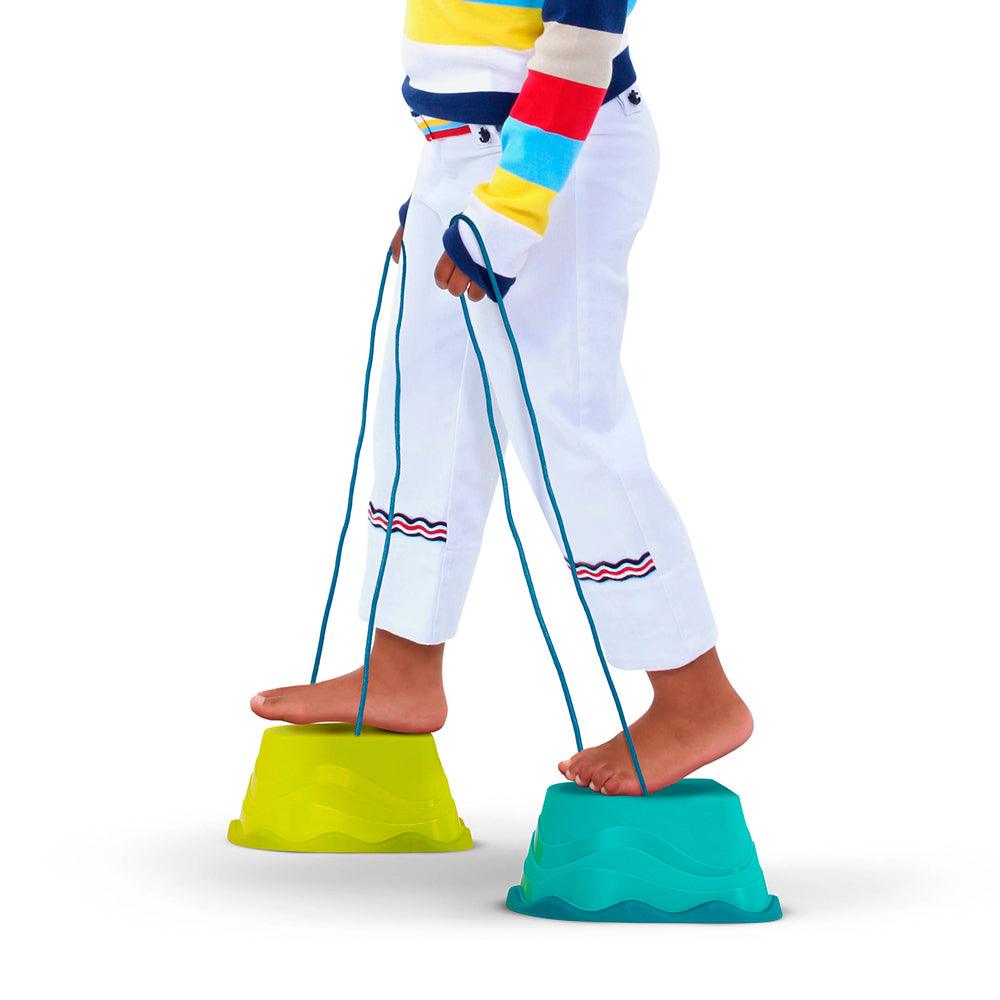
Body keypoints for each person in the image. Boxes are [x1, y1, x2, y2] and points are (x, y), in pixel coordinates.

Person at [251, 0, 753, 795]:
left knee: (566, 424)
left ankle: (697, 697)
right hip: (467, 160)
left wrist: (510, 211)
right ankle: (401, 666)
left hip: (553, 162)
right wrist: (441, 193)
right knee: (424, 403)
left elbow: (581, 43)